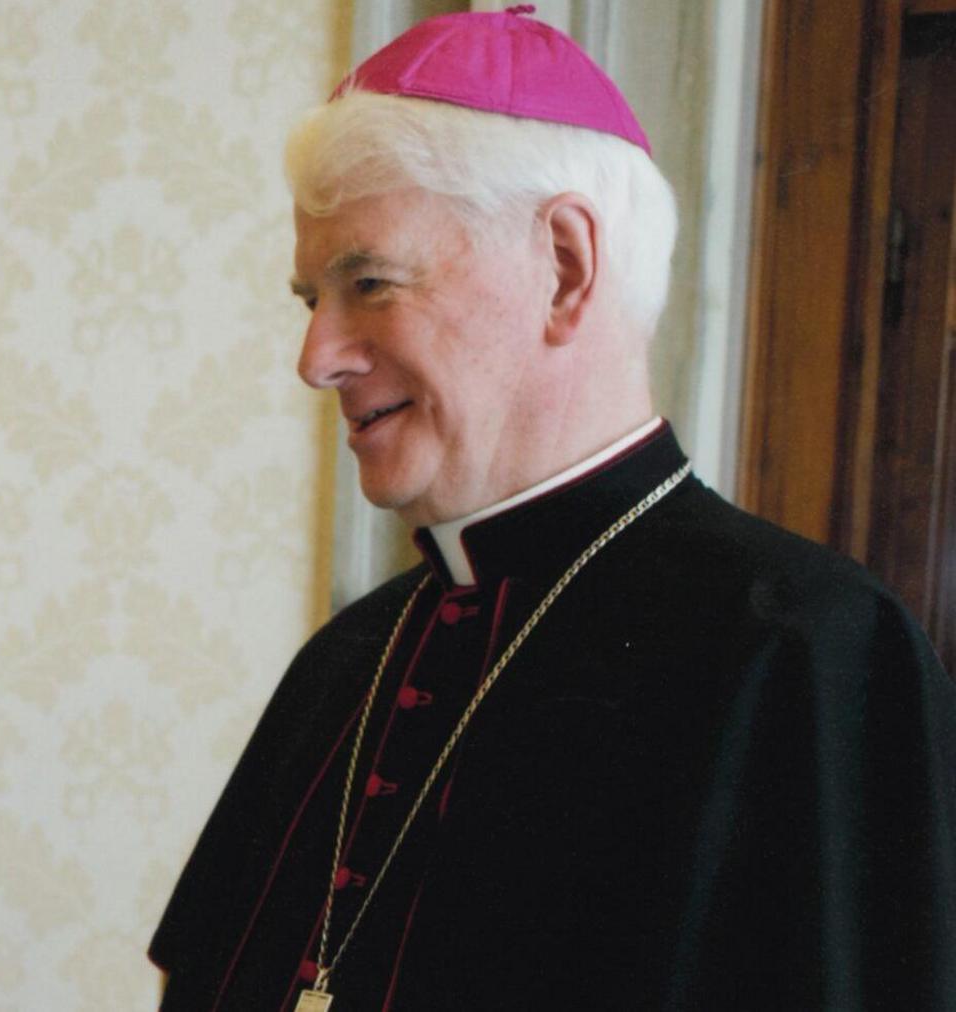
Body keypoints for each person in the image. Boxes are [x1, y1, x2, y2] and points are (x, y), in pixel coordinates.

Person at [150, 9, 956, 1010]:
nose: (317, 358)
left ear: (566, 267)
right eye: (309, 298)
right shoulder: (346, 660)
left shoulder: (804, 651)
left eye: (369, 282)